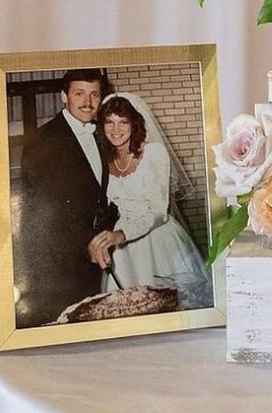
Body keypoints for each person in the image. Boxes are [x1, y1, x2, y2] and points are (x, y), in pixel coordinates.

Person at [15, 68, 118, 327]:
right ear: (64, 97)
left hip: (102, 257)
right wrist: (87, 246)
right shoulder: (42, 141)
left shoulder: (106, 134)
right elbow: (44, 213)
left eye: (94, 94)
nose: (87, 101)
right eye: (79, 93)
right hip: (63, 265)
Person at [86, 93, 210, 308]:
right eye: (110, 122)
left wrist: (120, 235)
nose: (116, 129)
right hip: (122, 250)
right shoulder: (103, 160)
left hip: (158, 239)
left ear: (134, 124)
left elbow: (159, 211)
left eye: (123, 122)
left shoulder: (153, 153)